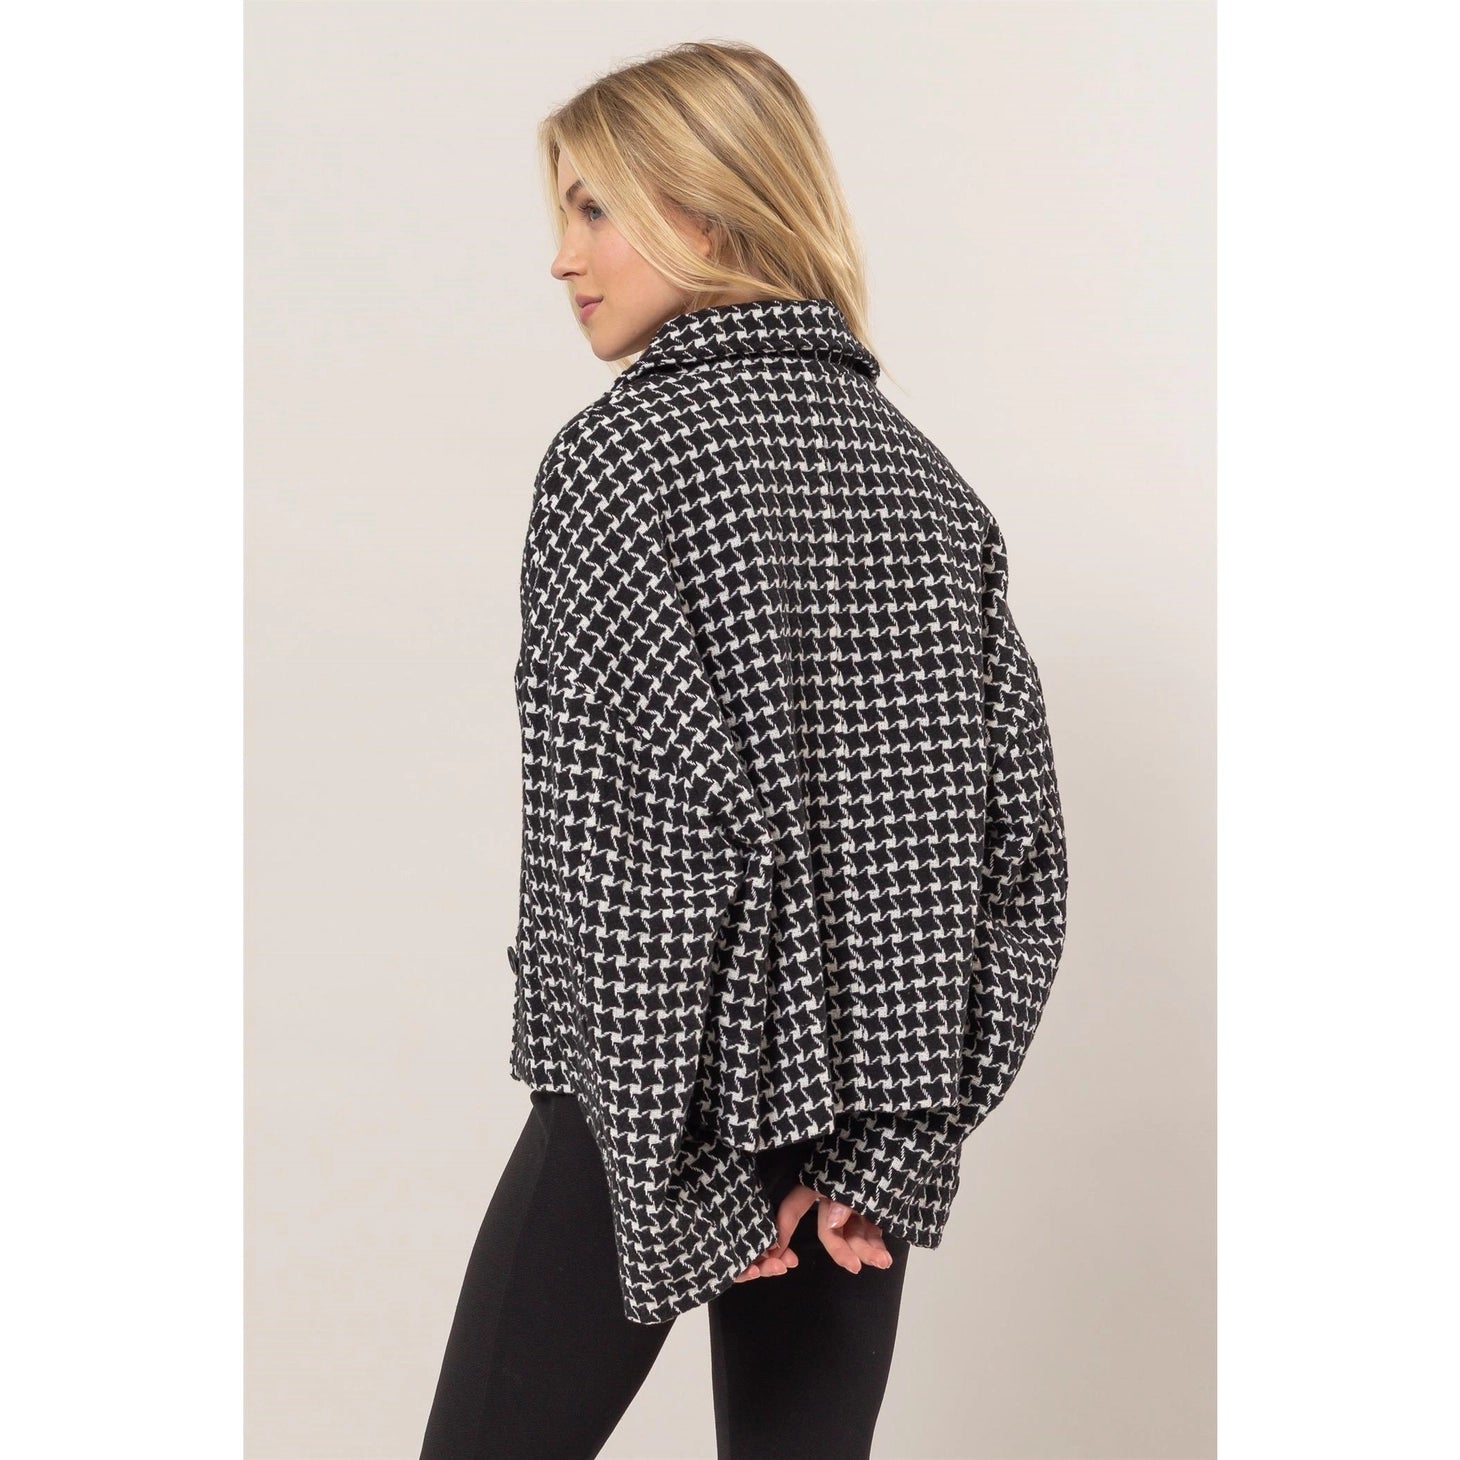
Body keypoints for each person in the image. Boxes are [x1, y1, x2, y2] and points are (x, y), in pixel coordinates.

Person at [421, 39, 1069, 1460]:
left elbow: (629, 865)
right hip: (854, 1152)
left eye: (595, 207)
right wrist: (898, 1147)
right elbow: (1018, 864)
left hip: (644, 1113)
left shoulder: (621, 462)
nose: (562, 256)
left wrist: (673, 1188)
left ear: (709, 214)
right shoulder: (927, 486)